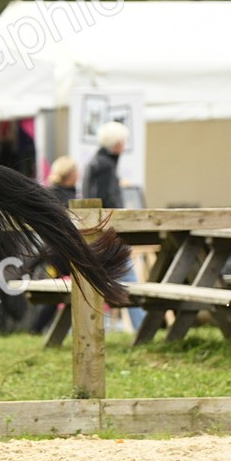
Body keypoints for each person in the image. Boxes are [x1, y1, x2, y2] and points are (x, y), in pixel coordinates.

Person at [83, 122, 145, 331]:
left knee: (106, 279)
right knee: (129, 279)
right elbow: (105, 199)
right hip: (107, 233)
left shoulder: (98, 162)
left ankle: (140, 325)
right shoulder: (105, 166)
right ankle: (142, 326)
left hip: (97, 232)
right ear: (117, 143)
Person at [29, 156, 78, 334]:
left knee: (60, 291)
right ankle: (38, 329)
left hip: (47, 251)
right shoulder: (70, 198)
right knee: (68, 290)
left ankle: (38, 329)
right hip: (63, 253)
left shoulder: (48, 194)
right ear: (71, 175)